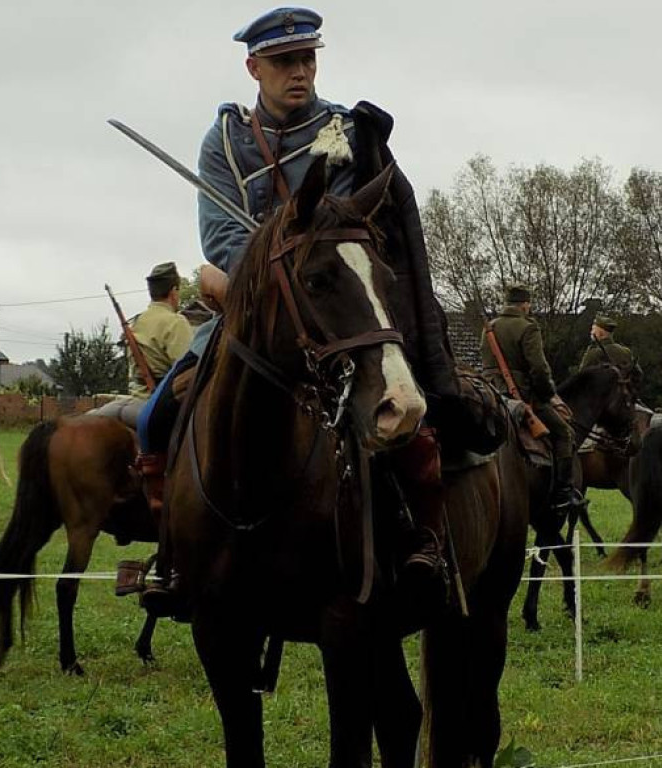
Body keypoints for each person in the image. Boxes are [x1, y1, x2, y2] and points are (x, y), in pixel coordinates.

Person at [133, 7, 462, 615]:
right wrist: (244, 286)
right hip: (251, 306)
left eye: (308, 59)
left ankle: (421, 535)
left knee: (399, 396)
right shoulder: (225, 142)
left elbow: (341, 228)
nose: (300, 72)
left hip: (328, 301)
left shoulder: (341, 133)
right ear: (253, 67)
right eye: (285, 62)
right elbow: (221, 240)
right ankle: (174, 553)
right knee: (158, 413)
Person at [481, 285, 585, 513]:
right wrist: (547, 395)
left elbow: (487, 365)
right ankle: (564, 493)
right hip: (523, 396)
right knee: (564, 434)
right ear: (525, 304)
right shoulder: (528, 328)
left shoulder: (490, 328)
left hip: (493, 396)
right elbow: (539, 368)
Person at [127, 263, 194, 399]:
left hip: (136, 395)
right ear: (173, 292)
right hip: (161, 400)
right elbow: (187, 371)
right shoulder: (176, 322)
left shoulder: (136, 321)